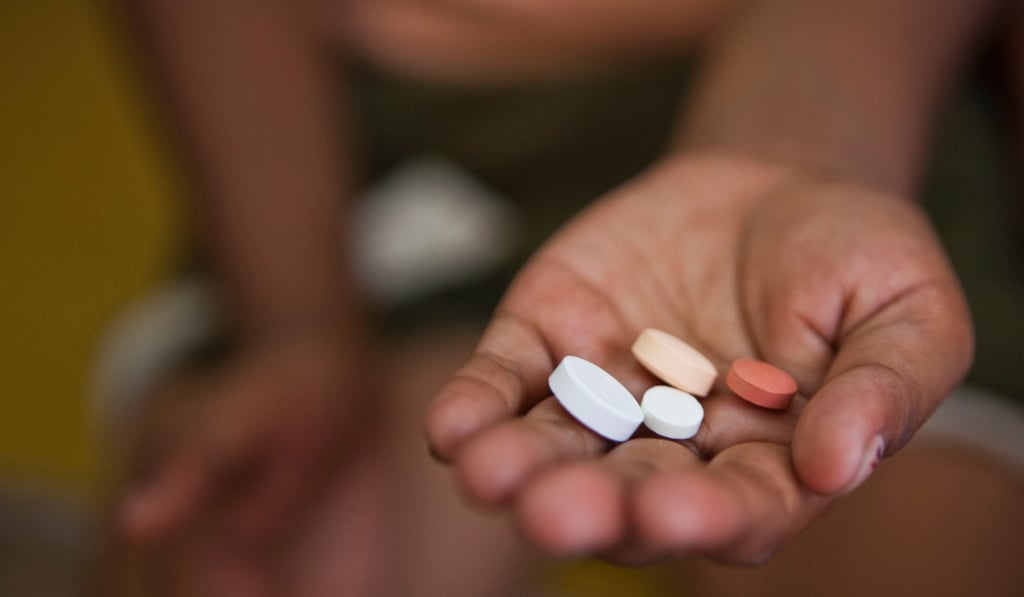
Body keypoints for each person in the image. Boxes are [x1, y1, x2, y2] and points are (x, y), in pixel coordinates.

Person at [101, 0, 1024, 595]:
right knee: (280, 552)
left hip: (846, 97)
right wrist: (295, 322)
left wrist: (791, 155)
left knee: (918, 548)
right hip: (376, 133)